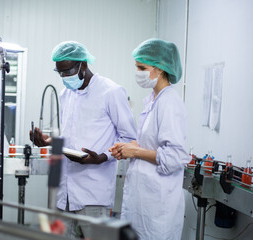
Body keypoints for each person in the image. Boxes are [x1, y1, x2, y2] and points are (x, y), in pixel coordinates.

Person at [30, 41, 137, 238]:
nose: (64, 77)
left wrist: (102, 157)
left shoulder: (111, 92)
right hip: (64, 195)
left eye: (67, 71)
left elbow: (129, 139)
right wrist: (49, 142)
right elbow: (69, 139)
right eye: (60, 72)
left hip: (93, 194)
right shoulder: (65, 94)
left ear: (83, 65)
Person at [109, 38, 190, 240]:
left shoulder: (169, 102)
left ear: (160, 69)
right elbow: (153, 144)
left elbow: (174, 157)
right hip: (143, 203)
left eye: (142, 67)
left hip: (157, 208)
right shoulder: (154, 100)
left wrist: (135, 152)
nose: (138, 72)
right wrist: (130, 147)